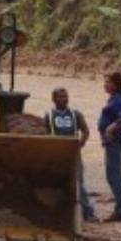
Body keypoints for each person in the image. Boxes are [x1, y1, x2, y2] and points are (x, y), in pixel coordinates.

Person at [45, 87, 95, 223]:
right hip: (56, 154)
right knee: (57, 182)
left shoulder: (75, 114)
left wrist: (81, 143)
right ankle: (58, 212)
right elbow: (45, 134)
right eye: (61, 97)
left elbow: (85, 131)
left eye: (66, 97)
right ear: (53, 99)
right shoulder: (49, 115)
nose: (64, 99)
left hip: (73, 154)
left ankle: (87, 212)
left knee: (78, 182)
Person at [99, 71, 121, 222]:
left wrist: (110, 128)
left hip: (114, 142)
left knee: (113, 177)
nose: (105, 85)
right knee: (115, 176)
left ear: (116, 85)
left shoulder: (117, 100)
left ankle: (120, 210)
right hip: (112, 142)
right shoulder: (114, 98)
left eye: (108, 82)